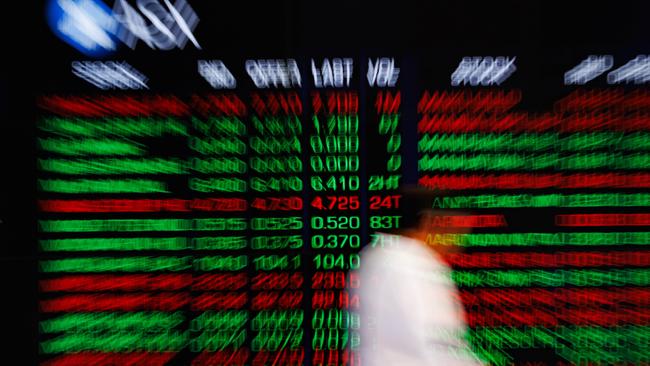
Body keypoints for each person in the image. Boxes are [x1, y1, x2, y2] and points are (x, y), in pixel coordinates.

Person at [352, 187, 484, 365]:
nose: (460, 240)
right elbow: (439, 348)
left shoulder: (375, 257)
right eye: (457, 230)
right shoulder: (417, 266)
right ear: (433, 222)